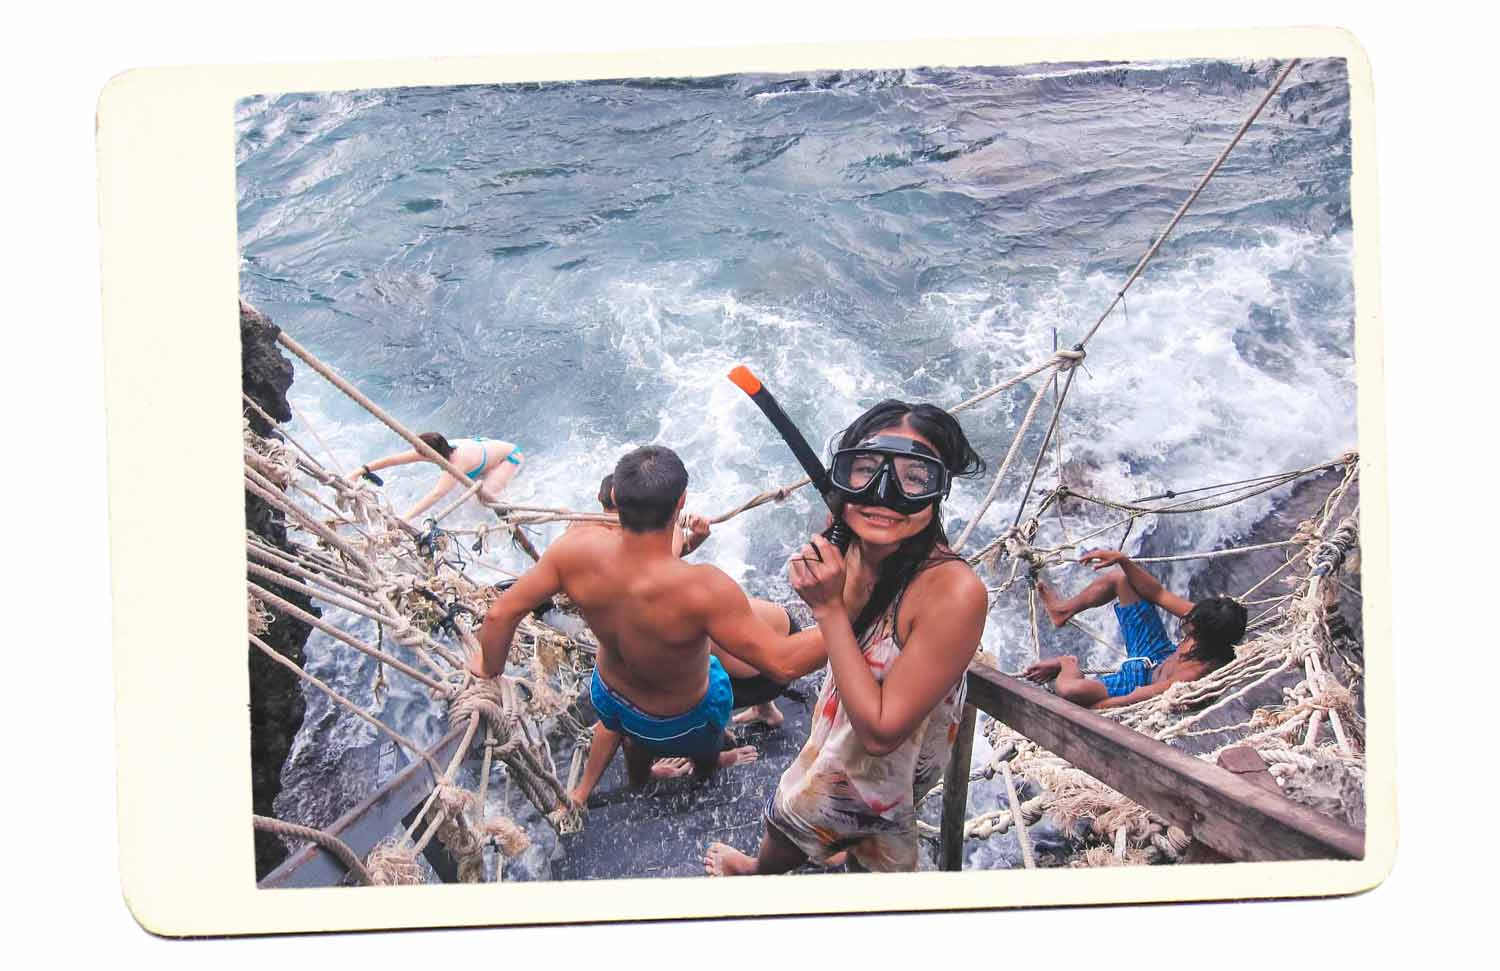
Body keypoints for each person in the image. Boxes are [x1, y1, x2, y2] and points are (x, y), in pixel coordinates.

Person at [704, 399, 989, 876]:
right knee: (824, 802)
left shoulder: (955, 592)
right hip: (844, 712)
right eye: (865, 471)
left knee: (799, 813)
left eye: (914, 478)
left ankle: (758, 872)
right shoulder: (856, 545)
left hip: (893, 744)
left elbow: (880, 734)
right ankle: (834, 842)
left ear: (939, 490)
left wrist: (830, 607)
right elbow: (794, 660)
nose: (884, 496)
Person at [466, 445, 828, 806]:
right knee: (710, 729)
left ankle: (640, 779)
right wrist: (843, 615)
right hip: (681, 718)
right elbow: (783, 664)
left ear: (614, 499)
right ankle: (708, 767)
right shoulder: (703, 588)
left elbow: (500, 615)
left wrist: (488, 669)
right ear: (681, 501)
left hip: (610, 696)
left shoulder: (571, 550)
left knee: (630, 731)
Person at [1020, 549, 1248, 710]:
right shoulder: (1208, 622)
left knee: (1070, 691)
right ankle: (1062, 611)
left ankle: (1066, 662)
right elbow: (1157, 594)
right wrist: (1123, 560)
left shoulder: (1194, 674)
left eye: (1192, 622)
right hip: (1158, 654)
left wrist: (1094, 710)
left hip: (1141, 682)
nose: (1187, 618)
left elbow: (1137, 698)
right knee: (1121, 579)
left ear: (1202, 634)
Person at [350, 432, 524, 521]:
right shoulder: (437, 449)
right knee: (466, 491)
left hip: (508, 458)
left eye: (419, 452)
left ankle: (511, 515)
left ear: (431, 454)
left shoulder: (457, 464)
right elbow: (395, 459)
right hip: (485, 453)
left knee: (483, 499)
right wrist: (360, 471)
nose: (415, 453)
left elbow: (437, 494)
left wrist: (405, 518)